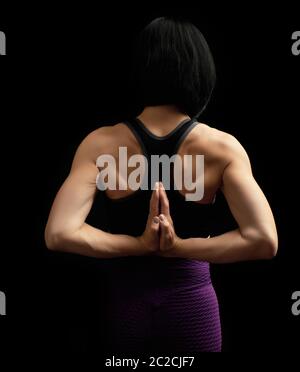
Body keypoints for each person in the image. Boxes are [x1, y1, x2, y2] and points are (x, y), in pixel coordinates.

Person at [45, 16, 278, 353]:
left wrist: (139, 245)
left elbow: (59, 233)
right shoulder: (222, 148)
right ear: (201, 72)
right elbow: (263, 239)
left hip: (126, 305)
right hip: (192, 303)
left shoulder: (100, 145)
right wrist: (178, 247)